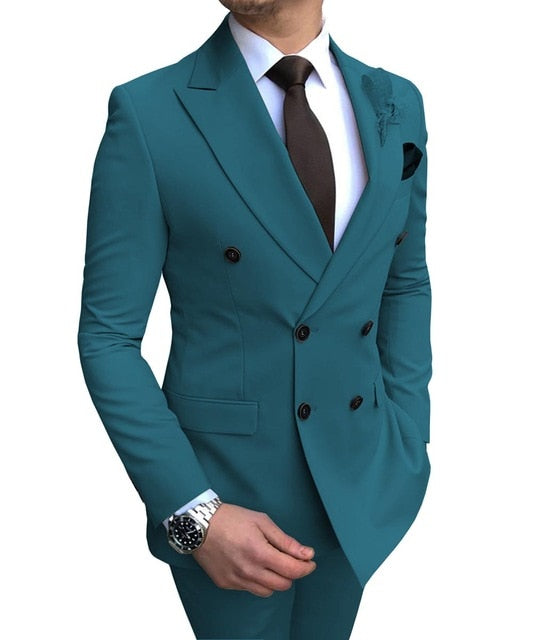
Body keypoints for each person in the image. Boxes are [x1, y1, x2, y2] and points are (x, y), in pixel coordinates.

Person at [77, 0, 432, 637]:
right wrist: (193, 515)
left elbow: (403, 281)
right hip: (226, 497)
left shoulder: (396, 102)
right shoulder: (151, 111)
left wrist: (410, 437)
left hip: (361, 480)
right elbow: (108, 336)